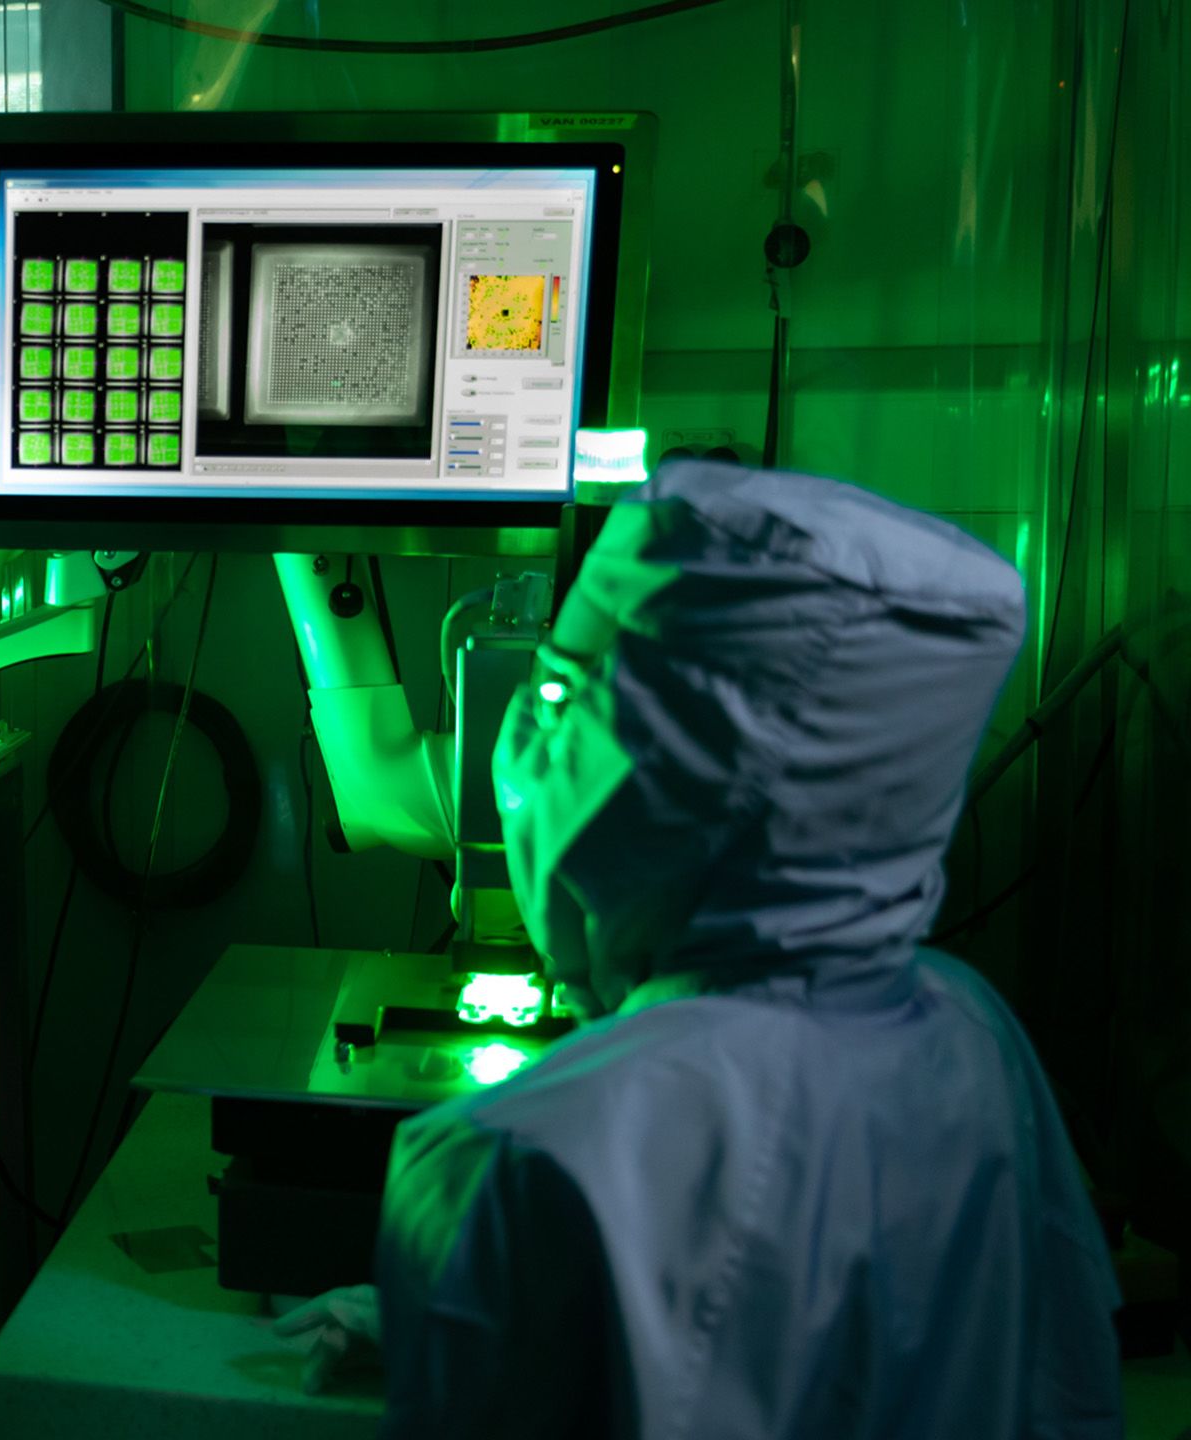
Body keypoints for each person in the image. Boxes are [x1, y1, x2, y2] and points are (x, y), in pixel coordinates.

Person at [276, 463, 1124, 1436]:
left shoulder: (518, 1161)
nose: (526, 733)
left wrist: (486, 1305)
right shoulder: (970, 1028)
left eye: (564, 690)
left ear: (658, 759)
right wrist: (525, 1324)